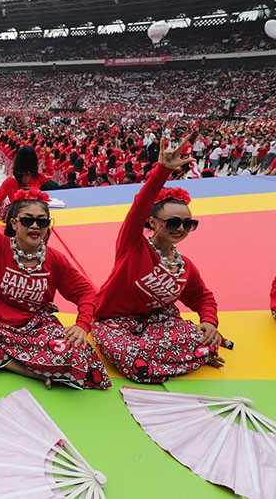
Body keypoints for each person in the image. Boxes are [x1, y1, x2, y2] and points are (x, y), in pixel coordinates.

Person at [0, 153, 110, 390]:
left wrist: (81, 325)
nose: (34, 226)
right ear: (14, 223)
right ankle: (25, 369)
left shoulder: (54, 260)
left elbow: (88, 294)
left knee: (80, 353)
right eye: (27, 221)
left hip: (36, 331)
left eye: (41, 221)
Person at [91, 134, 227, 384]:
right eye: (173, 222)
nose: (181, 229)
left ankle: (183, 353)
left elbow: (202, 296)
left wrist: (208, 322)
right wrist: (162, 171)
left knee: (202, 336)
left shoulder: (184, 267)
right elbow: (140, 206)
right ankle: (189, 356)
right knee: (129, 353)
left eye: (188, 224)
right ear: (152, 222)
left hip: (158, 323)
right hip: (114, 323)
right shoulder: (132, 245)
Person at [0, 146, 49, 221]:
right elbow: (50, 174)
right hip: (35, 213)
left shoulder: (10, 181)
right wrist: (47, 158)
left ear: (17, 161)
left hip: (17, 216)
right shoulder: (39, 177)